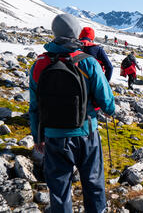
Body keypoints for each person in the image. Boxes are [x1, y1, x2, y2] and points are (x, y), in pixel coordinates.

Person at [29, 14, 115, 213]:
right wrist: (111, 111)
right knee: (93, 183)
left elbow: (34, 107)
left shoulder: (39, 65)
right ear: (76, 33)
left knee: (59, 190)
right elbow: (106, 101)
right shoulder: (88, 62)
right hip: (86, 133)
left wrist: (37, 136)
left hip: (52, 136)